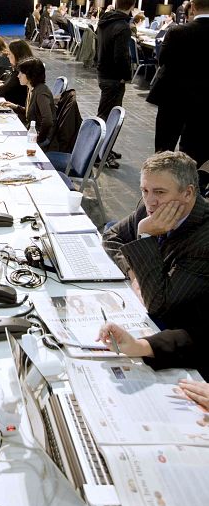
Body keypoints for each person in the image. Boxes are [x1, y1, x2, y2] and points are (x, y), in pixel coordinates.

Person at [98, 151, 209, 378]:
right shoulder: (153, 207)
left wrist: (145, 235)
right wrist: (133, 273)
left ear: (188, 193)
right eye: (144, 190)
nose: (150, 201)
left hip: (182, 336)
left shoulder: (204, 240)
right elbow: (111, 236)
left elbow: (157, 303)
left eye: (160, 192)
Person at [152, 0, 209, 167]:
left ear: (193, 7)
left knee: (163, 151)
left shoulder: (177, 32)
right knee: (194, 154)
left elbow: (163, 60)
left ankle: (160, 181)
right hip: (204, 104)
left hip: (173, 99)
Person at [96, 0, 135, 125]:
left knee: (104, 115)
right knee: (108, 119)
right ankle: (96, 139)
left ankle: (97, 138)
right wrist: (126, 76)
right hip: (114, 77)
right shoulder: (123, 26)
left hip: (102, 72)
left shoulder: (104, 20)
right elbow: (121, 56)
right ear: (132, 5)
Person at [6, 58, 56, 144]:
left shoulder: (41, 92)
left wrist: (37, 139)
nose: (18, 76)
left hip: (42, 138)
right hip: (32, 131)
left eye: (21, 73)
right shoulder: (31, 88)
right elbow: (32, 112)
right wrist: (14, 106)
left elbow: (47, 121)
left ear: (30, 75)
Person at [0, 39, 33, 107]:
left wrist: (0, 85)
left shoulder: (21, 70)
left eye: (9, 54)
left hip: (17, 106)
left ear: (16, 55)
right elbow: (12, 84)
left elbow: (2, 91)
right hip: (17, 105)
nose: (8, 56)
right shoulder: (23, 67)